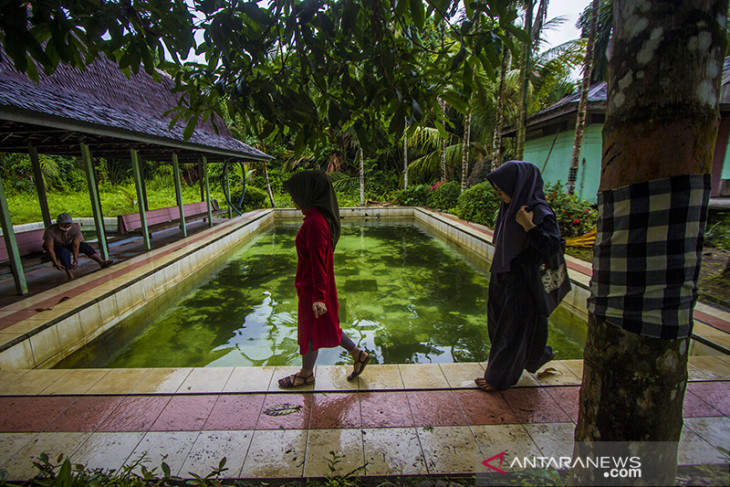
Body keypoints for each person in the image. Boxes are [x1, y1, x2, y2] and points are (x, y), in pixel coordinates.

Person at [278, 170, 370, 388]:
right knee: (327, 326)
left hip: (314, 288)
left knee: (310, 330)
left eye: (296, 193)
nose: (293, 199)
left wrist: (318, 296)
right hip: (317, 286)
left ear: (309, 193)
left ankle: (306, 374)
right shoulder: (318, 219)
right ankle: (358, 354)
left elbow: (318, 262)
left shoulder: (315, 223)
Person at [475, 161, 560, 392]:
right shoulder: (508, 209)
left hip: (524, 280)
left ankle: (499, 378)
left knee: (510, 331)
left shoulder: (538, 211)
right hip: (503, 275)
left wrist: (529, 226)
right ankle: (537, 355)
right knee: (497, 324)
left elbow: (553, 247)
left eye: (502, 187)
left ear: (518, 184)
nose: (499, 192)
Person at [42, 213, 113, 280]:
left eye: (69, 223)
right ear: (59, 223)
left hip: (68, 243)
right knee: (64, 252)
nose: (67, 225)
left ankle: (101, 262)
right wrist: (55, 263)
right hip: (56, 245)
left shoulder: (75, 228)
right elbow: (50, 249)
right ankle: (70, 274)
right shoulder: (50, 231)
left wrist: (75, 260)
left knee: (84, 246)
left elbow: (76, 246)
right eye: (64, 223)